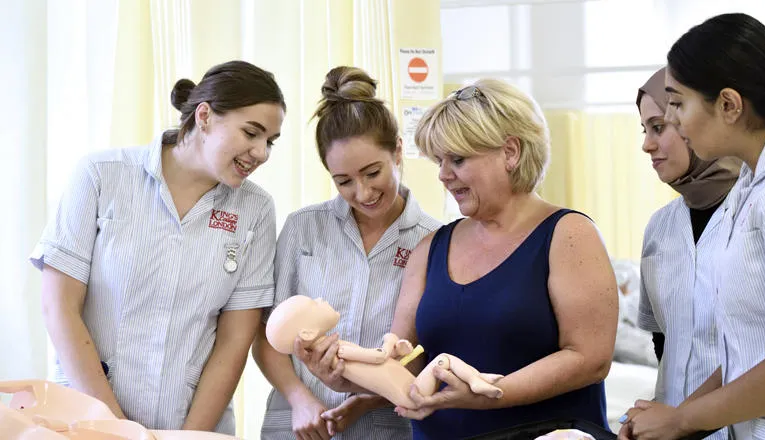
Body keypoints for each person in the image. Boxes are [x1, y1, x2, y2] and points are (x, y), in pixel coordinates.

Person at [29, 60, 286, 434]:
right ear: (204, 116)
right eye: (251, 133)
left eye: (270, 142)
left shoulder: (255, 210)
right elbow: (59, 307)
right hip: (86, 420)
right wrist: (117, 429)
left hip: (192, 425)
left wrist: (187, 435)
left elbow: (234, 341)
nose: (261, 153)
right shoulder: (101, 175)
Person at [388, 79, 618, 439]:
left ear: (510, 152)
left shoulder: (569, 234)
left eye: (458, 159)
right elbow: (406, 356)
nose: (444, 175)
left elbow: (590, 358)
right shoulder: (430, 246)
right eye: (440, 161)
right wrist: (354, 370)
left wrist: (488, 395)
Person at [251, 66, 440, 440]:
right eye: (344, 181)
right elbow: (266, 334)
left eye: (373, 173)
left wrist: (368, 398)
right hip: (297, 426)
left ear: (398, 151)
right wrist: (300, 399)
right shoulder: (303, 228)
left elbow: (426, 353)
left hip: (387, 430)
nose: (363, 192)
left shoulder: (434, 240)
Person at [620, 13, 765, 440]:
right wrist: (674, 420)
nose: (676, 123)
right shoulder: (752, 187)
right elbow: (746, 354)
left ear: (728, 105)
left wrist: (682, 419)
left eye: (678, 104)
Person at [626, 67, 741, 440]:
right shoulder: (659, 228)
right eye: (645, 130)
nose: (647, 144)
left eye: (658, 127)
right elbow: (663, 339)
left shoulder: (759, 209)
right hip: (670, 425)